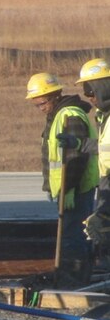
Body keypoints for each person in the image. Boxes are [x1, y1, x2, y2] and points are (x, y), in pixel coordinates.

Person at [26, 71, 98, 287]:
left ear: (55, 94)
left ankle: (73, 282)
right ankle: (72, 278)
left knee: (72, 237)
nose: (40, 107)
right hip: (67, 189)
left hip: (75, 190)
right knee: (70, 235)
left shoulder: (70, 116)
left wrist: (69, 189)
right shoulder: (58, 114)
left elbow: (76, 157)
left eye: (42, 102)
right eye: (37, 104)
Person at [67, 58, 110, 268]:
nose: (89, 97)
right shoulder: (105, 116)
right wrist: (78, 143)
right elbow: (104, 147)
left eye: (90, 89)